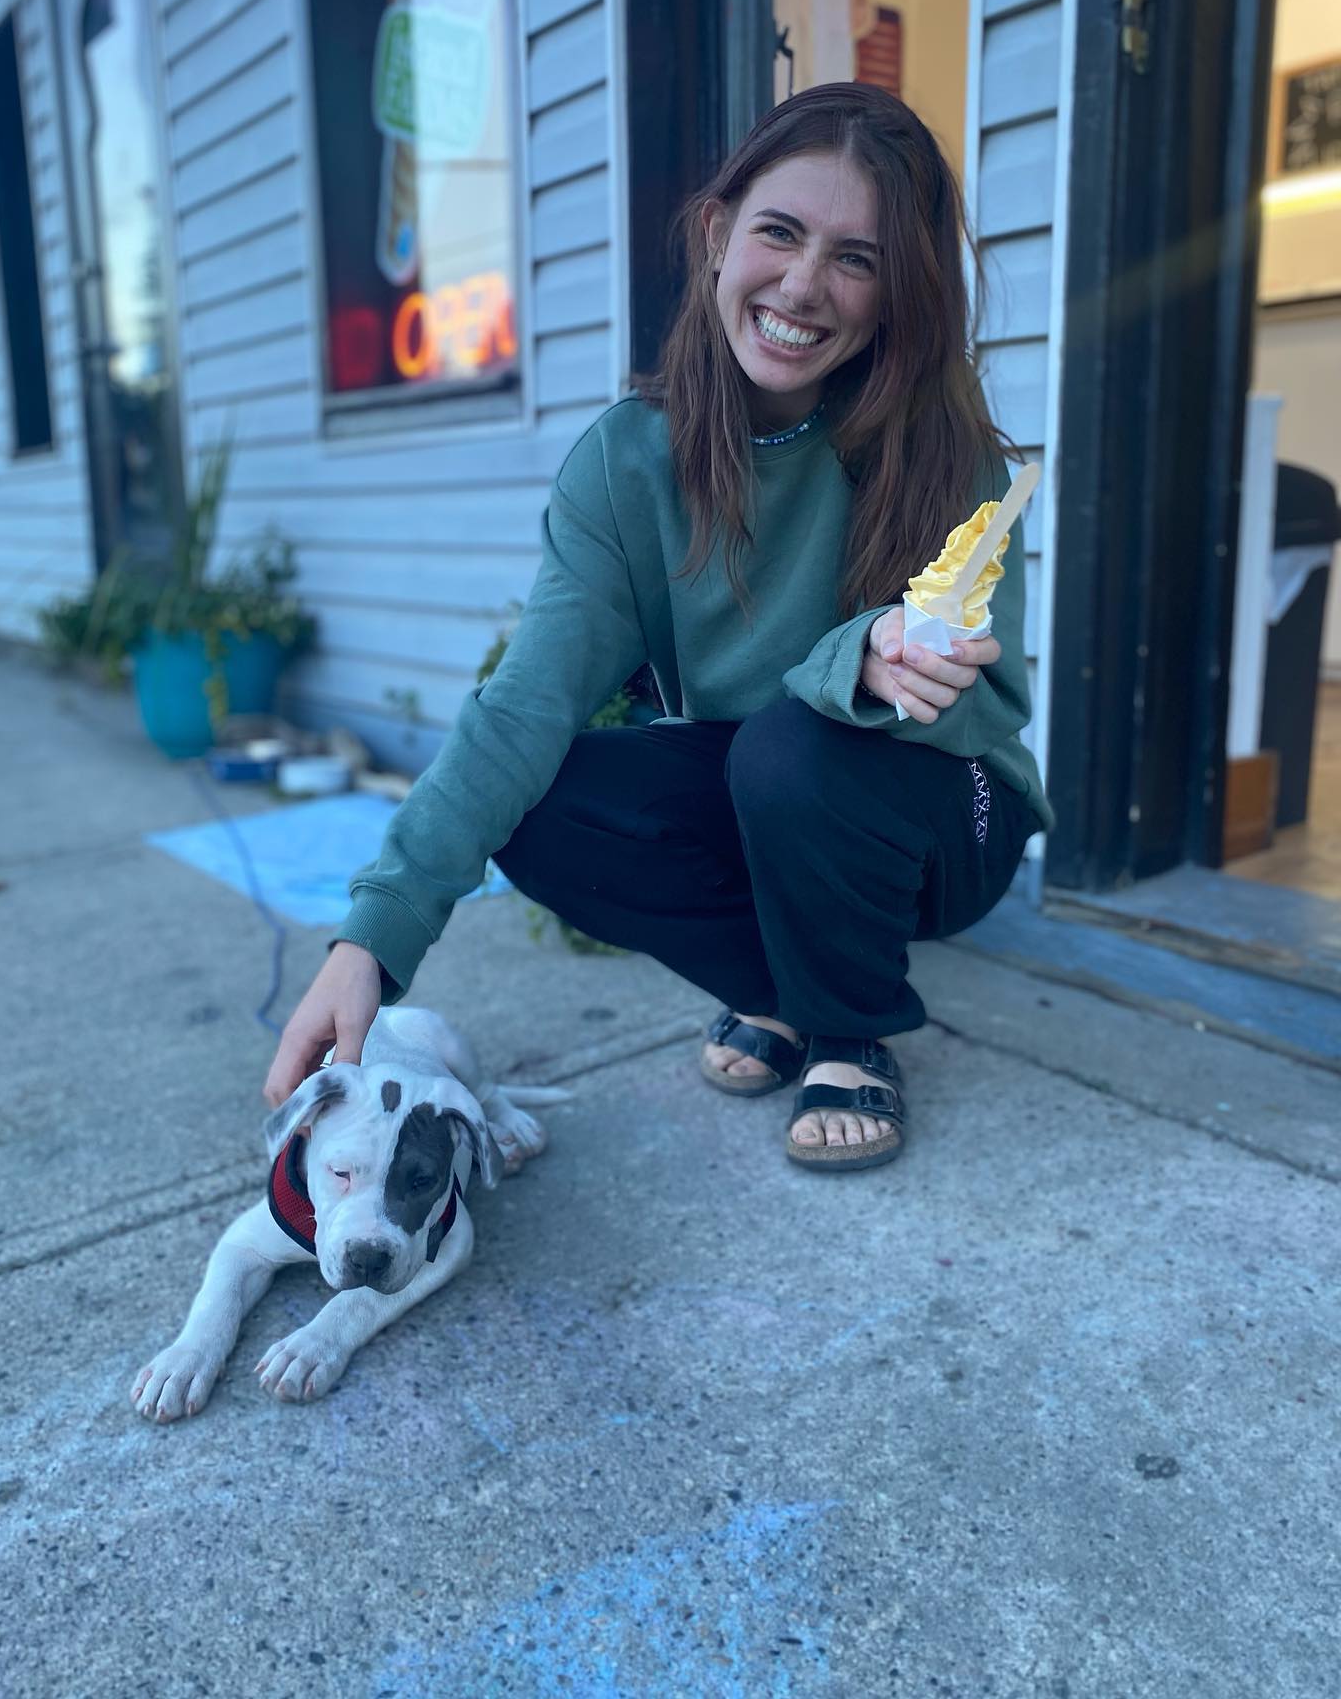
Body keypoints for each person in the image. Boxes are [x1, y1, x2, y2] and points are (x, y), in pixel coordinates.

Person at [263, 82, 1054, 1173]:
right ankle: (779, 992)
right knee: (541, 803)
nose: (804, 286)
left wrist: (862, 667)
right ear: (721, 233)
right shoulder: (630, 462)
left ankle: (848, 1029)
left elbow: (994, 714)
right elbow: (521, 710)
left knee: (792, 744)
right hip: (770, 797)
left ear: (894, 294)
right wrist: (373, 940)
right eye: (779, 233)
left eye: (856, 260)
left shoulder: (945, 451)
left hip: (948, 811)